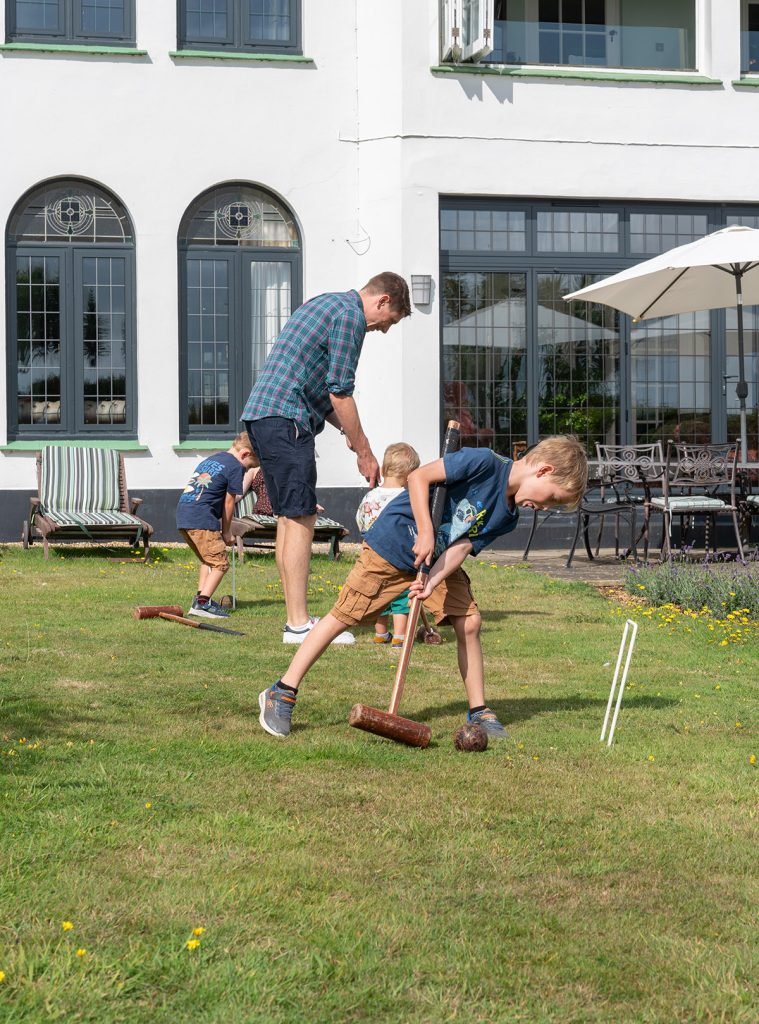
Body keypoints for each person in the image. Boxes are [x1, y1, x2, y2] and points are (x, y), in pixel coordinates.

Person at [257, 435, 589, 739]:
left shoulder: (509, 515)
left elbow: (461, 547)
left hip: (440, 557)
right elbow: (418, 477)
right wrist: (427, 531)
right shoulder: (484, 462)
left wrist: (432, 581)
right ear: (543, 471)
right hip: (394, 543)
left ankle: (479, 710)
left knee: (469, 620)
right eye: (553, 499)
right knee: (344, 615)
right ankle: (282, 690)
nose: (546, 508)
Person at [241, 272, 411, 645]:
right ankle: (300, 624)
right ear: (382, 300)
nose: (384, 329)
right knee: (301, 517)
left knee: (290, 516)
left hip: (263, 416)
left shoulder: (326, 303)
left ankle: (294, 621)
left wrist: (347, 433)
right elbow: (339, 392)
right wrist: (365, 451)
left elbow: (315, 385)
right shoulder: (351, 317)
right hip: (287, 419)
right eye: (390, 320)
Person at [176, 432, 258, 619]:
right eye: (250, 467)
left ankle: (200, 599)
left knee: (209, 561)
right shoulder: (236, 466)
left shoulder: (212, 460)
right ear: (245, 454)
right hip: (202, 519)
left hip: (184, 516)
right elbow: (229, 503)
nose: (247, 471)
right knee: (221, 563)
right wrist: (226, 532)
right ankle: (202, 604)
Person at [355, 442, 421, 649]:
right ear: (411, 475)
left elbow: (360, 520)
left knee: (379, 596)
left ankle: (380, 633)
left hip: (372, 552)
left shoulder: (370, 496)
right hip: (398, 555)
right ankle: (400, 637)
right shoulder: (407, 498)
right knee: (402, 595)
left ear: (383, 470)